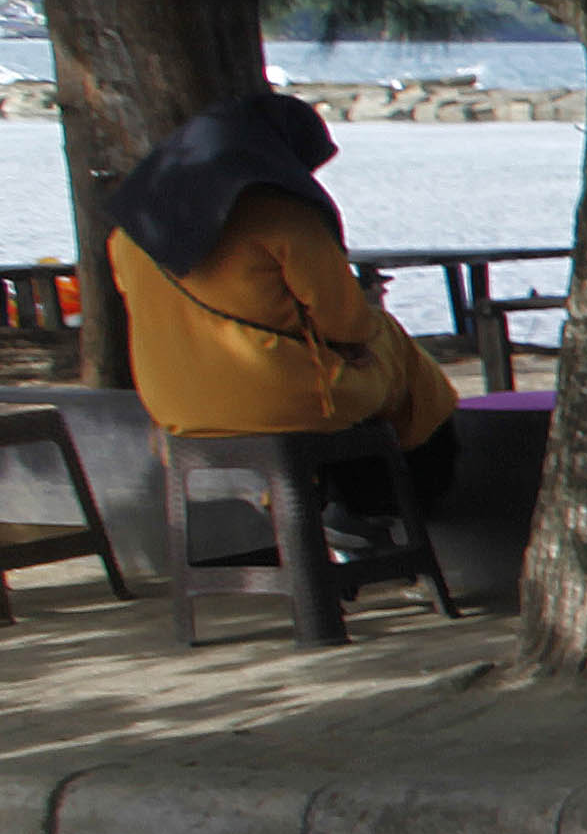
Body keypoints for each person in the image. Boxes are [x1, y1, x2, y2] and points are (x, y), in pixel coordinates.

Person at [101, 93, 460, 540]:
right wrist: (364, 308)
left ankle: (319, 505)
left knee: (358, 377)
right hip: (282, 400)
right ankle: (392, 500)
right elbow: (345, 323)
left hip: (173, 406)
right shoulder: (281, 215)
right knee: (392, 348)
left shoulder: (130, 234)